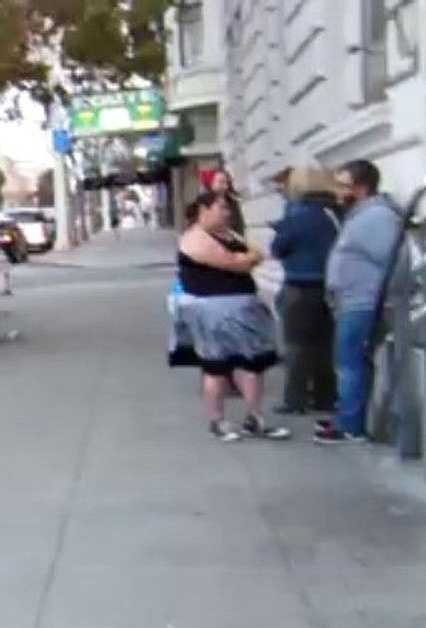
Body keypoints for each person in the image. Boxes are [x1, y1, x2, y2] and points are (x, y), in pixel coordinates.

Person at [172, 192, 289, 441]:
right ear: (204, 210)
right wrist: (247, 259)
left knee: (253, 365)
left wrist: (248, 258)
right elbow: (234, 262)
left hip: (244, 308)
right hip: (213, 310)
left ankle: (254, 418)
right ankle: (217, 420)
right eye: (221, 208)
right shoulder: (194, 238)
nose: (227, 213)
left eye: (227, 209)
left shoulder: (228, 234)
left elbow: (256, 254)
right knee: (217, 367)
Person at [315, 159, 405, 444]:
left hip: (362, 302)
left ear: (361, 187)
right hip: (353, 300)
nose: (337, 192)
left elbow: (391, 260)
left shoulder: (377, 217)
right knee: (352, 363)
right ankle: (349, 418)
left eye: (343, 185)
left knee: (349, 363)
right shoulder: (362, 214)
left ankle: (350, 426)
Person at [270, 167, 341, 415]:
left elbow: (278, 248)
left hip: (300, 284)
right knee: (324, 344)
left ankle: (295, 399)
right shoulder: (334, 211)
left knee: (297, 345)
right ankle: (325, 397)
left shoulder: (298, 214)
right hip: (330, 285)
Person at [208, 168, 247, 237]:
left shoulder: (232, 203)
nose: (225, 187)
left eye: (227, 183)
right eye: (221, 182)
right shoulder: (204, 203)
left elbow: (239, 227)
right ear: (212, 183)